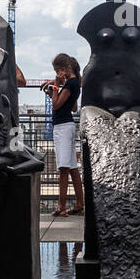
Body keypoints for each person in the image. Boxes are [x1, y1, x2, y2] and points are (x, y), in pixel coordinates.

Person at [42, 53, 83, 217]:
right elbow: (73, 108)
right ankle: (80, 204)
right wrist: (57, 87)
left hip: (62, 128)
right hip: (68, 126)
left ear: (65, 69)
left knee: (63, 169)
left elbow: (57, 106)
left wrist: (55, 89)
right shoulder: (74, 84)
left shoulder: (69, 84)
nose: (58, 74)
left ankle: (61, 207)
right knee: (73, 168)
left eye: (58, 71)